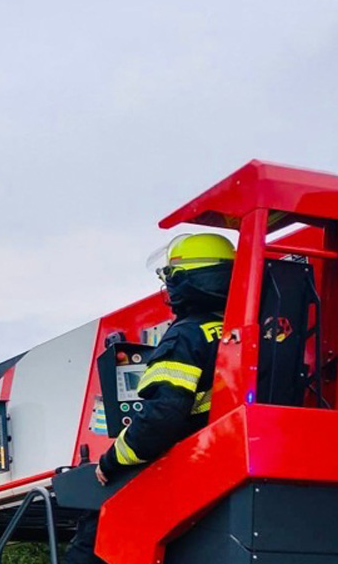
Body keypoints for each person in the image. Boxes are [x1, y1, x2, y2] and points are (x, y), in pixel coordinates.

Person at [66, 232, 234, 564]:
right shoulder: (242, 330)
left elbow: (162, 415)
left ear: (184, 281)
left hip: (189, 465)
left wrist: (110, 462)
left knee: (96, 530)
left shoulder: (186, 336)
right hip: (221, 458)